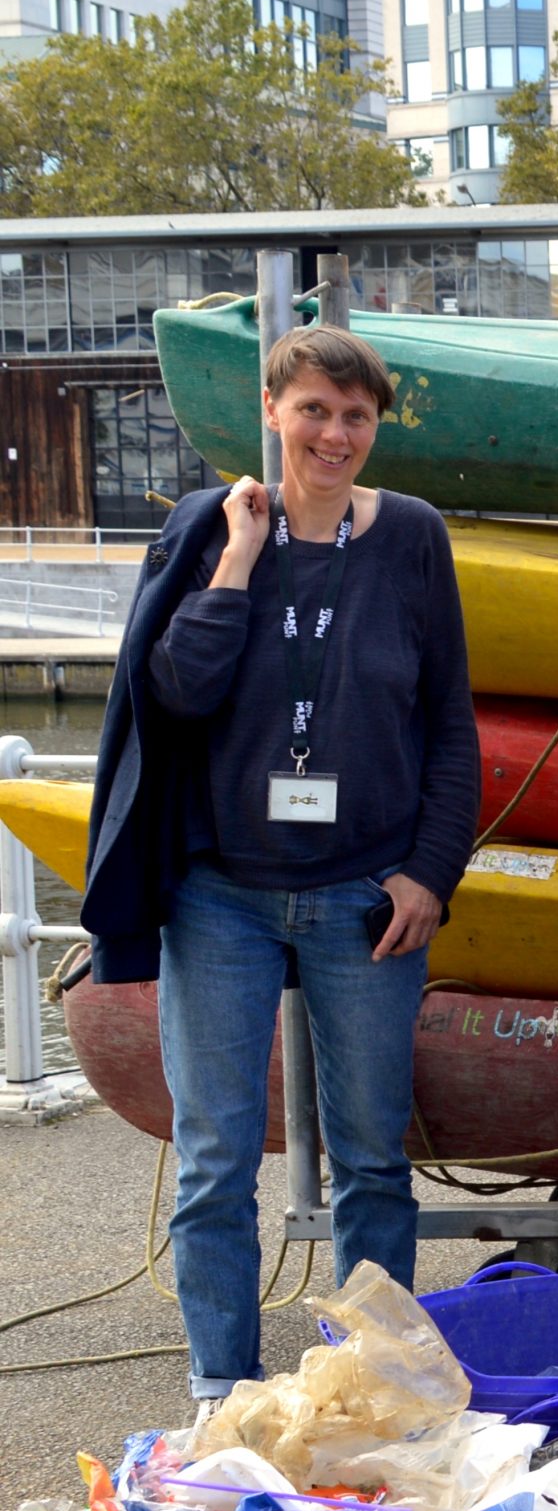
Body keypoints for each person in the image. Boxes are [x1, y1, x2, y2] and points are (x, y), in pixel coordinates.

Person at [93, 324, 477, 1401]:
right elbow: (174, 694)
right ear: (271, 409)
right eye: (313, 409)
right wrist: (235, 563)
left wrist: (429, 873)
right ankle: (222, 1384)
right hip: (223, 895)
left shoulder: (410, 538)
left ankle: (374, 1383)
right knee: (216, 1158)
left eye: (356, 415)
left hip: (366, 892)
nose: (335, 433)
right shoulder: (204, 528)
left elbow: (449, 721)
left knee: (370, 1161)